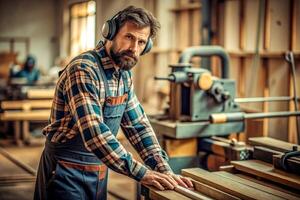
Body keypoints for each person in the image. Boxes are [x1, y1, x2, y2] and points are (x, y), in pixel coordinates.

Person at [34, 6, 193, 200]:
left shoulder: (124, 76)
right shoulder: (84, 69)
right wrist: (142, 173)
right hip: (65, 170)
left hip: (99, 169)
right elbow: (94, 132)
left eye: (141, 42)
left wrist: (163, 169)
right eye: (129, 37)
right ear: (110, 32)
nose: (134, 48)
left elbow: (138, 126)